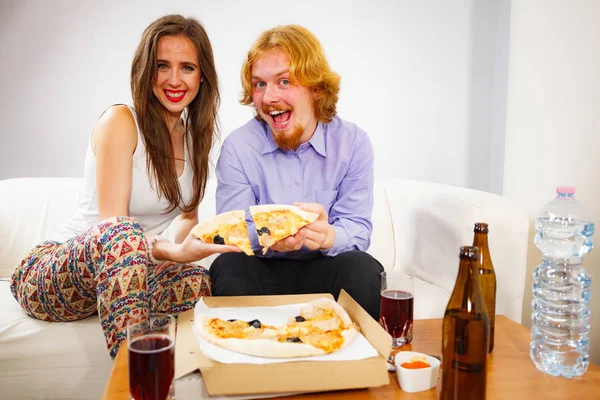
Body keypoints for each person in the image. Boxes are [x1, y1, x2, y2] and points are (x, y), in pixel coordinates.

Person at [10, 15, 239, 358]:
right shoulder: (121, 121)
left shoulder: (197, 140)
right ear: (147, 71)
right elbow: (113, 229)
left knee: (200, 282)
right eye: (163, 66)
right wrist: (168, 252)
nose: (174, 79)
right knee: (123, 234)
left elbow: (188, 218)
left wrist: (179, 256)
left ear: (202, 75)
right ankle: (136, 384)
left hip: (131, 278)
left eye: (187, 67)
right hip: (56, 275)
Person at [211, 25, 383, 320]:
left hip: (324, 267)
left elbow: (356, 228)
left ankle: (349, 360)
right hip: (261, 271)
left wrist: (328, 235)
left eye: (284, 81)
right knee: (227, 269)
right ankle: (247, 359)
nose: (268, 98)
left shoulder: (353, 143)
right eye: (260, 84)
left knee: (365, 269)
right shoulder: (239, 147)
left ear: (316, 88)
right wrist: (268, 234)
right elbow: (230, 232)